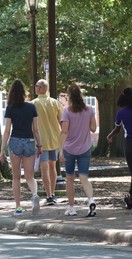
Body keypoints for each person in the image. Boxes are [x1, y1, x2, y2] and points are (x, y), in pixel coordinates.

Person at [0, 79, 42, 216]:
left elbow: (7, 130)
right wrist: (39, 145)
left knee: (16, 177)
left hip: (15, 141)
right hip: (29, 141)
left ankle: (18, 207)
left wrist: (2, 150)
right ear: (24, 93)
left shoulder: (10, 108)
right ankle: (34, 195)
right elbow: (36, 129)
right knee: (30, 176)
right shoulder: (31, 107)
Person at [59, 83, 97, 217]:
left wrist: (60, 150)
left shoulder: (66, 110)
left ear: (69, 96)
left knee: (69, 178)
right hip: (85, 148)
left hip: (69, 148)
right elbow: (93, 128)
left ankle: (71, 207)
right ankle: (91, 200)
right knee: (84, 177)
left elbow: (64, 131)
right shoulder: (89, 109)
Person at [32, 79, 63, 206]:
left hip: (41, 141)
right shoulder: (56, 103)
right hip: (55, 139)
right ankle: (53, 194)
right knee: (53, 166)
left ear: (39, 88)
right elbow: (62, 120)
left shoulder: (33, 104)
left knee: (44, 168)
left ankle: (49, 195)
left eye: (36, 86)